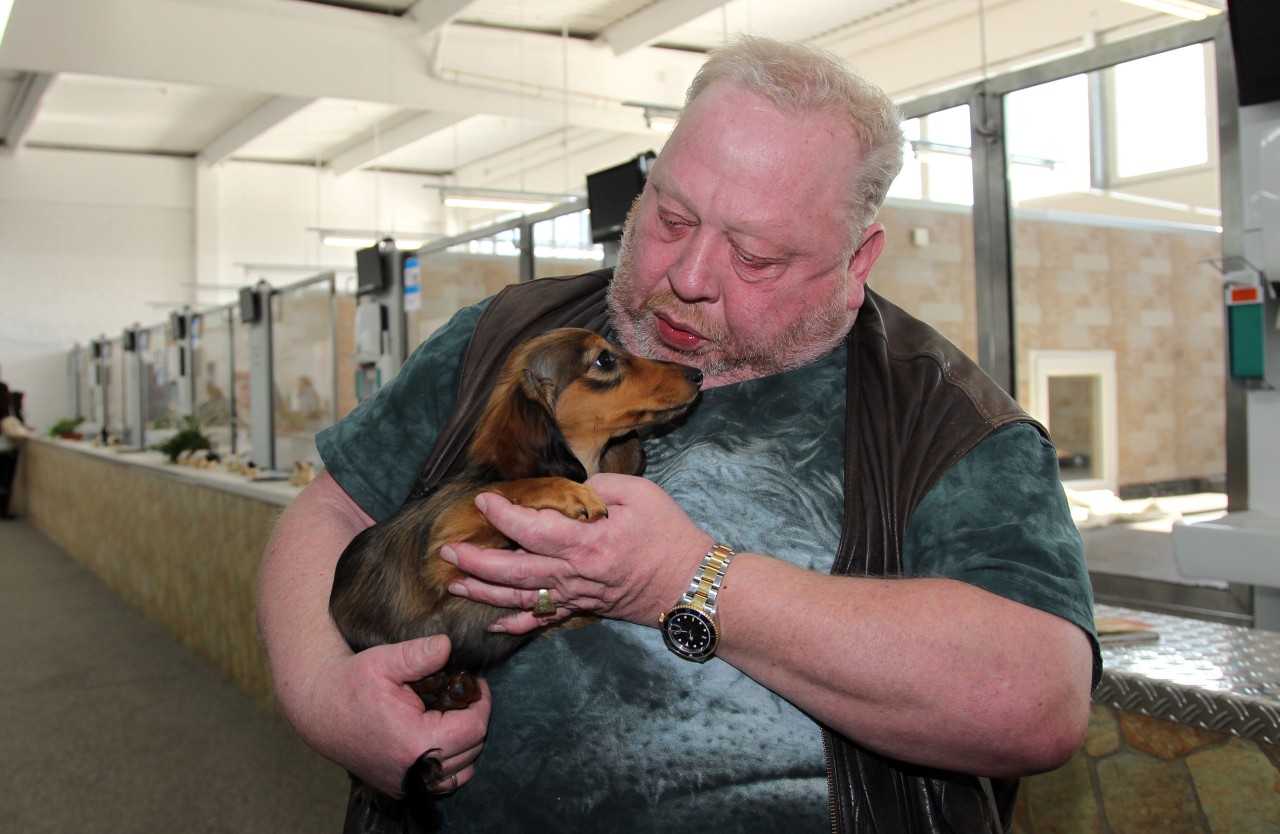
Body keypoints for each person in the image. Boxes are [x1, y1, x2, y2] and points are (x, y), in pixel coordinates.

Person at [258, 36, 1099, 833]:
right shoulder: (505, 341)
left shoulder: (948, 421)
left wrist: (688, 579)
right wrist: (322, 693)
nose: (689, 279)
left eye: (756, 259)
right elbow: (330, 510)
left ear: (857, 259)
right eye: (670, 218)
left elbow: (1036, 700)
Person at [0, 382, 31, 520]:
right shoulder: (6, 414)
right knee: (4, 481)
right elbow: (17, 433)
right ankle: (2, 510)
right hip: (6, 450)